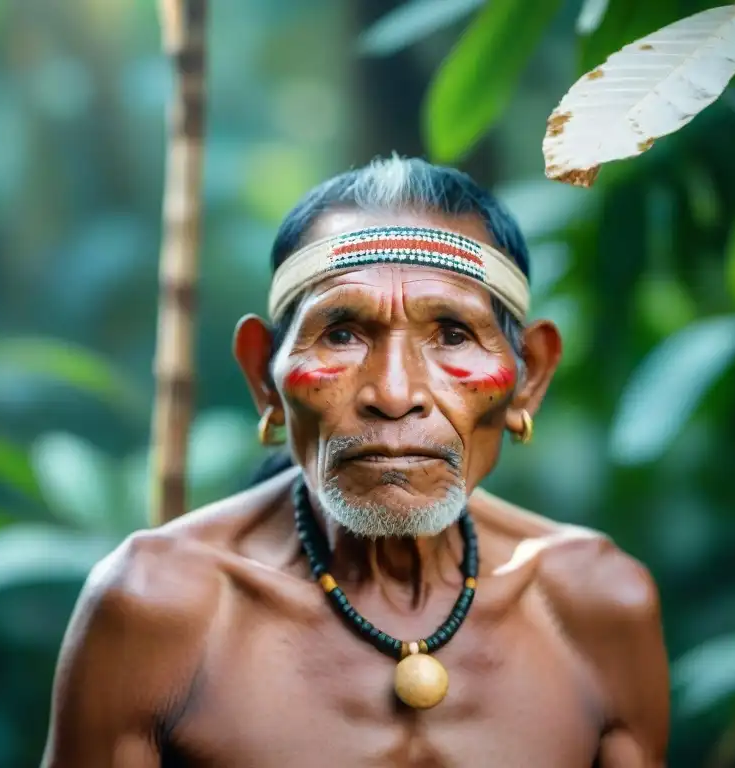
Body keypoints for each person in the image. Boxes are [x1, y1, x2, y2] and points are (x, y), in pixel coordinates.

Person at [40, 156, 669, 767]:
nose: (394, 394)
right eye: (341, 333)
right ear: (264, 375)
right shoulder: (158, 606)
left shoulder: (597, 604)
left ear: (528, 377)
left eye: (452, 334)